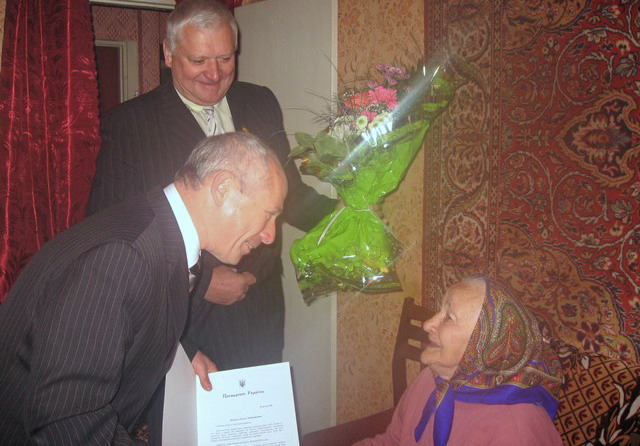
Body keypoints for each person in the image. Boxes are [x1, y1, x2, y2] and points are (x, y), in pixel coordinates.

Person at [88, 0, 335, 371]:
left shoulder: (260, 101)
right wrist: (200, 282)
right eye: (199, 60)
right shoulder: (129, 125)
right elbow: (114, 236)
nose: (214, 74)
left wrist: (344, 217)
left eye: (225, 58)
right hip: (187, 318)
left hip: (260, 309)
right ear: (168, 54)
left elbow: (288, 193)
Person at [0, 132, 288, 445]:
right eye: (269, 215)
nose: (270, 235)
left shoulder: (158, 228)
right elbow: (68, 423)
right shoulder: (121, 257)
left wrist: (181, 351)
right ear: (223, 188)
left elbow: (119, 318)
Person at [355, 277, 564, 445]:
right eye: (439, 310)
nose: (427, 324)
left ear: (483, 345)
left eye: (449, 317)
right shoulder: (431, 377)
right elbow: (393, 441)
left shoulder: (516, 432)